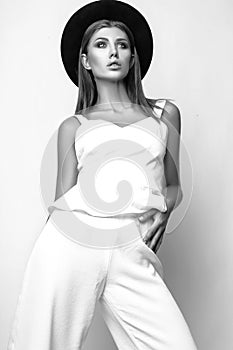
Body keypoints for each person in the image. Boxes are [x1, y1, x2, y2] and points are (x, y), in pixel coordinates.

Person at [7, 1, 198, 349]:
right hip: (71, 244)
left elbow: (173, 186)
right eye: (101, 44)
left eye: (122, 45)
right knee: (41, 342)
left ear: (133, 57)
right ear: (86, 61)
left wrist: (166, 206)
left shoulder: (164, 114)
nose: (113, 53)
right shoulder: (73, 126)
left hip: (132, 248)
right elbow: (60, 203)